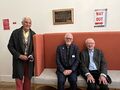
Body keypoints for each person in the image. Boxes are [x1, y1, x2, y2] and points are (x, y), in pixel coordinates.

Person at [7, 17, 36, 90]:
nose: (28, 24)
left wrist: (31, 55)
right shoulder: (15, 33)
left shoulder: (34, 34)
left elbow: (35, 48)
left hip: (29, 61)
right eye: (26, 22)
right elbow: (10, 46)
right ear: (22, 23)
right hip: (18, 60)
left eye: (29, 23)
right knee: (19, 81)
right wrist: (19, 56)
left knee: (27, 80)